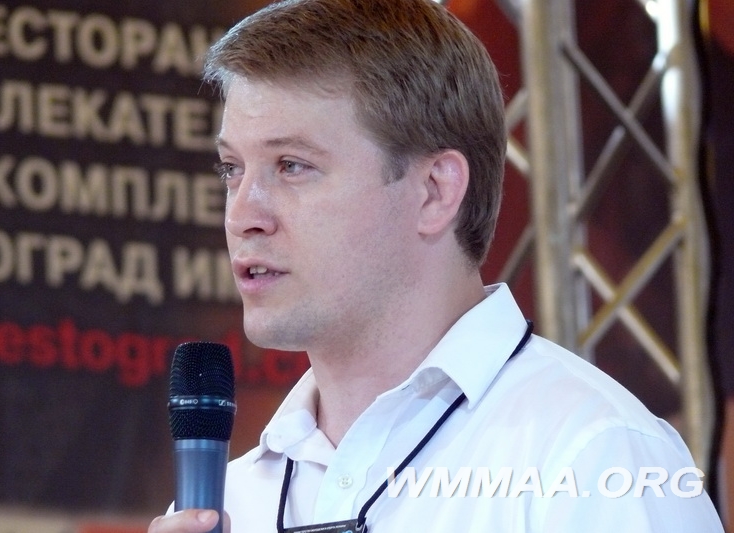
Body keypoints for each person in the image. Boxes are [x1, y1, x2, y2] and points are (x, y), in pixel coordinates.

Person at [149, 0, 724, 531]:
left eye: (292, 166)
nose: (242, 215)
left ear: (434, 191)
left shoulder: (594, 456)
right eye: (231, 169)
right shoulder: (226, 504)